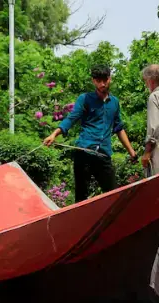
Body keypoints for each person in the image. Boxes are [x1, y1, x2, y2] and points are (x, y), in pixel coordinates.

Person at [43, 65, 137, 202]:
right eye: (98, 81)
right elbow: (71, 118)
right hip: (84, 152)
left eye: (105, 80)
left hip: (103, 154)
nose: (102, 84)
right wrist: (54, 134)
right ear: (93, 81)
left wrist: (131, 152)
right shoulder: (85, 99)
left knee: (113, 196)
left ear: (109, 79)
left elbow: (118, 128)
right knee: (81, 198)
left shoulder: (114, 103)